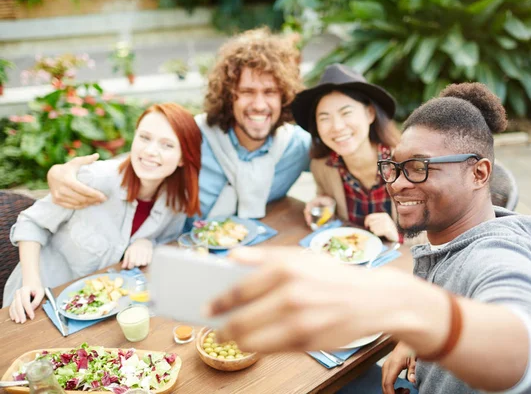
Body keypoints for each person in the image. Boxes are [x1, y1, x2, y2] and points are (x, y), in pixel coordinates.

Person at [205, 83, 531, 394]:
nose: (396, 183)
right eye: (394, 168)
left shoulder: (499, 254)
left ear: (478, 173)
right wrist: (411, 337)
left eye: (419, 167)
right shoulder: (444, 239)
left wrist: (400, 303)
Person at [45, 27, 311, 222]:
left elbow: (341, 160)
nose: (260, 105)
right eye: (247, 92)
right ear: (229, 95)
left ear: (284, 95)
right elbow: (140, 160)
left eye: (270, 92)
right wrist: (59, 173)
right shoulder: (196, 133)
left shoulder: (295, 146)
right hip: (183, 253)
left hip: (256, 253)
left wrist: (326, 195)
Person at [5, 103, 201, 324]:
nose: (150, 151)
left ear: (183, 157)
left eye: (167, 145)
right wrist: (31, 282)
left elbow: (163, 247)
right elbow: (31, 222)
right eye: (145, 138)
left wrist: (147, 241)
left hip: (97, 311)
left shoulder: (176, 202)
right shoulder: (96, 178)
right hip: (38, 301)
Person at [292, 63, 402, 242]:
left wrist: (397, 235)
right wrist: (325, 204)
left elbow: (440, 233)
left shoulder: (408, 164)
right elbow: (337, 221)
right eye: (324, 118)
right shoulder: (322, 166)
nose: (337, 127)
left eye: (346, 113)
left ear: (370, 114)